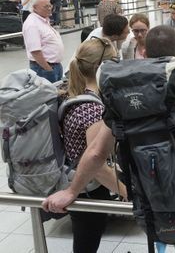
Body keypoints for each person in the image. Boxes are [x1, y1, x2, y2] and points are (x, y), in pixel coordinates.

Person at [42, 26, 175, 243]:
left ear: (145, 55)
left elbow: (97, 153)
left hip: (161, 197)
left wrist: (71, 192)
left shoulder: (125, 97)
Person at [63, 38, 128, 253]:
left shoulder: (79, 95)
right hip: (87, 188)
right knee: (86, 244)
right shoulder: (92, 108)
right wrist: (125, 192)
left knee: (86, 242)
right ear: (102, 68)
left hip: (82, 183)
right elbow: (97, 163)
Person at [23, 0, 64, 83]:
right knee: (48, 95)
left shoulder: (43, 20)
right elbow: (35, 51)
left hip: (54, 66)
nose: (49, 8)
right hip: (43, 69)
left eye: (50, 6)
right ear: (35, 8)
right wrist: (48, 69)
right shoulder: (32, 24)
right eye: (46, 7)